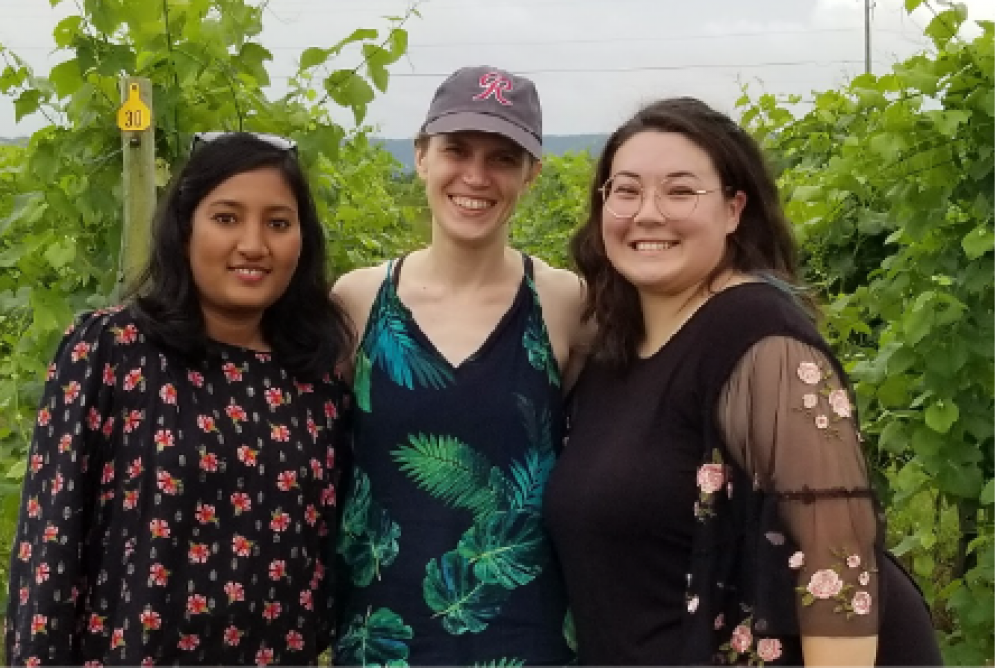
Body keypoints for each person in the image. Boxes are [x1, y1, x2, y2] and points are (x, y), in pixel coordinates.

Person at [543, 98, 943, 668]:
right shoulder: (613, 350)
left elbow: (837, 564)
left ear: (734, 209)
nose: (647, 212)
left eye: (680, 191)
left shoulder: (760, 338)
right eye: (626, 190)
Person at [5, 132, 352, 667]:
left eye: (278, 223)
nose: (255, 244)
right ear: (184, 227)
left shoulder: (316, 380)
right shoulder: (112, 351)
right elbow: (49, 547)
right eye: (227, 217)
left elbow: (323, 562)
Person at [330, 66, 589, 667]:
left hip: (528, 642)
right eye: (456, 150)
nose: (475, 176)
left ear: (532, 174)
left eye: (502, 157)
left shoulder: (566, 304)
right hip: (380, 640)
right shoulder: (358, 302)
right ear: (421, 156)